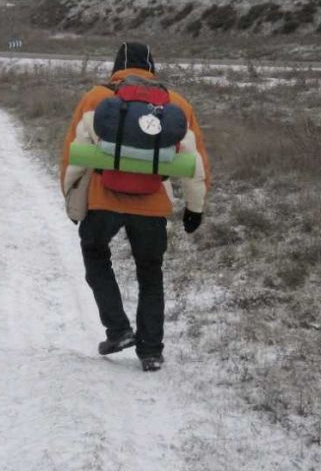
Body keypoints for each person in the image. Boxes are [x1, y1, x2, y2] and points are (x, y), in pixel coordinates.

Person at [60, 42, 210, 372]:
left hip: (104, 200)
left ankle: (118, 330)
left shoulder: (96, 98)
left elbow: (74, 152)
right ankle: (151, 352)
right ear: (152, 67)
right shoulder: (176, 103)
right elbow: (195, 160)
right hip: (152, 203)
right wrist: (194, 208)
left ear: (116, 67)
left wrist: (71, 198)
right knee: (150, 273)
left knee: (95, 253)